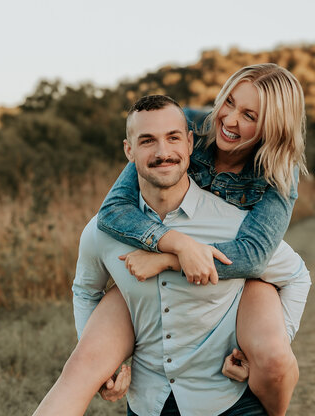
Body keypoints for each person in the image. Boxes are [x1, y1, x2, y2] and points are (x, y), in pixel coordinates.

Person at [32, 64, 309, 415]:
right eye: (229, 102)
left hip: (232, 270)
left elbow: (254, 256)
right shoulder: (185, 125)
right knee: (83, 366)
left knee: (273, 360)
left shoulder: (278, 174)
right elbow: (114, 210)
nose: (229, 119)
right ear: (129, 149)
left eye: (249, 115)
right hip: (160, 241)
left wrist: (169, 260)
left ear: (273, 127)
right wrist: (175, 243)